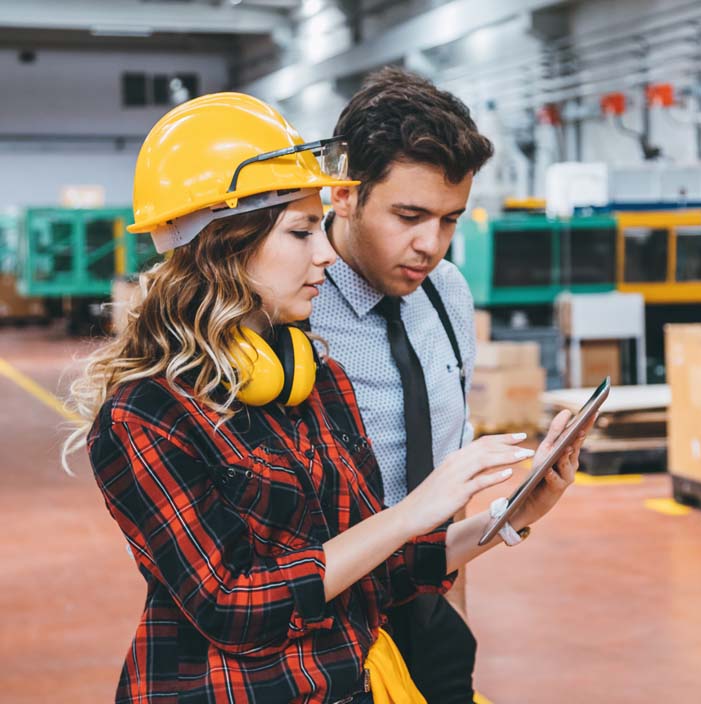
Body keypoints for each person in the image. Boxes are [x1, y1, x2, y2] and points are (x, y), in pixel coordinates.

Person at [63, 92, 589, 703]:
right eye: (302, 231)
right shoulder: (147, 415)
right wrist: (409, 513)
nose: (323, 255)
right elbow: (232, 606)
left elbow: (384, 571)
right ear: (224, 244)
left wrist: (511, 518)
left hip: (351, 678)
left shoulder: (313, 379)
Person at [309, 68, 500, 703]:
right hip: (325, 630)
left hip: (427, 610)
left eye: (450, 220)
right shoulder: (294, 309)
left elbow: (450, 481)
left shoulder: (447, 296)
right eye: (410, 215)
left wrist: (454, 621)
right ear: (343, 193)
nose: (430, 246)